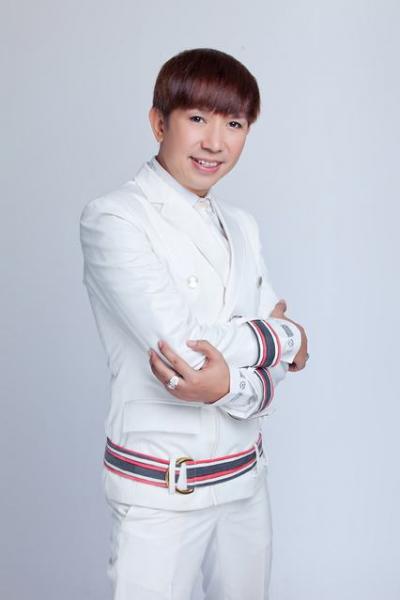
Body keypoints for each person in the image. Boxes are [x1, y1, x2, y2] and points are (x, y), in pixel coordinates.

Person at [80, 47, 308, 600]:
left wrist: (239, 372)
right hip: (162, 489)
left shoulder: (242, 224)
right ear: (159, 122)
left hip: (246, 483)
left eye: (234, 124)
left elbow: (284, 358)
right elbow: (185, 353)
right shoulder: (115, 218)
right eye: (198, 118)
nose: (215, 142)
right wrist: (284, 338)